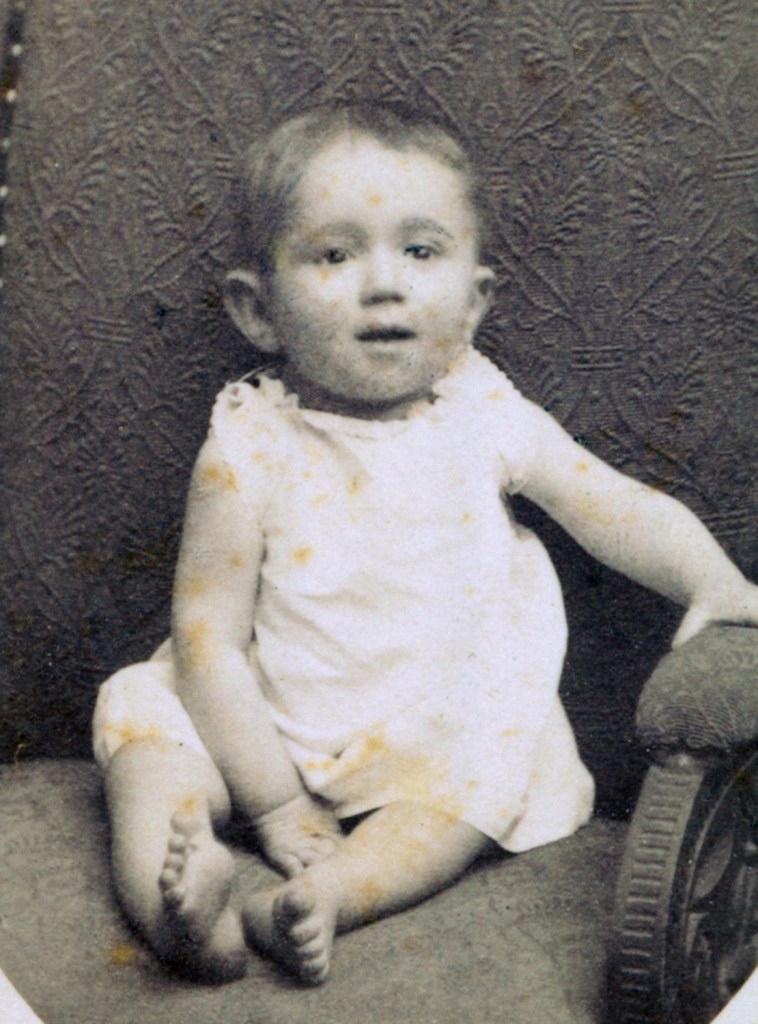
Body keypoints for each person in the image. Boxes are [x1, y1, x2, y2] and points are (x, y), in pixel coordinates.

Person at [93, 102, 758, 986]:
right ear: (258, 309)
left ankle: (324, 897)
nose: (384, 285)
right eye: (335, 255)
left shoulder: (485, 415)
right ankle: (181, 915)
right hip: (258, 724)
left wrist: (712, 580)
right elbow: (207, 637)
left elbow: (612, 506)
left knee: (478, 782)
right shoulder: (247, 445)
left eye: (419, 251)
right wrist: (277, 803)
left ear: (474, 302)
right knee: (145, 738)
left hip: (433, 724)